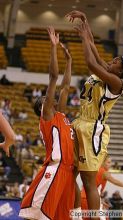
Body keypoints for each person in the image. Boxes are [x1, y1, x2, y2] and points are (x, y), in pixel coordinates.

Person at [66, 10, 123, 215]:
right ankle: (76, 215)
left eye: (115, 63)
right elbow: (94, 51)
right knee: (70, 175)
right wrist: (85, 23)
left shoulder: (116, 82)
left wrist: (84, 40)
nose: (111, 62)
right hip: (80, 122)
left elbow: (90, 62)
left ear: (120, 71)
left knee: (88, 181)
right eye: (112, 60)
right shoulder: (108, 72)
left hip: (92, 130)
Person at [19, 26, 75, 220]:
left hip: (68, 173)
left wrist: (69, 61)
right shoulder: (48, 116)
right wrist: (53, 48)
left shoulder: (61, 115)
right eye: (45, 99)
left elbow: (66, 87)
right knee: (34, 215)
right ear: (42, 108)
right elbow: (53, 78)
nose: (48, 98)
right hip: (55, 168)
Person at [81, 156, 123, 220]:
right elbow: (115, 181)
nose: (110, 164)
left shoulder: (95, 169)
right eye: (108, 162)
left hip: (84, 198)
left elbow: (95, 189)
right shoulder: (104, 172)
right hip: (88, 199)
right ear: (102, 162)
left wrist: (101, 201)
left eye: (110, 162)